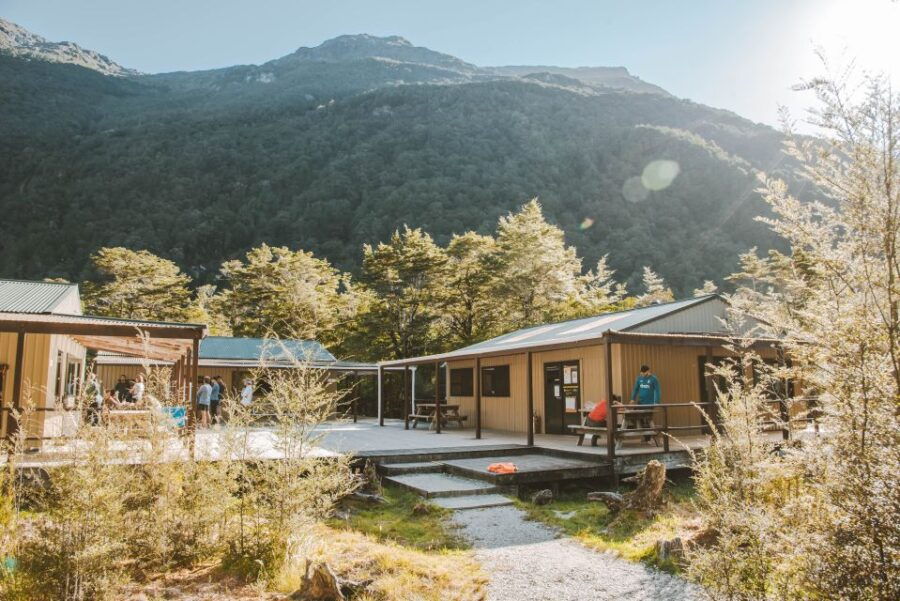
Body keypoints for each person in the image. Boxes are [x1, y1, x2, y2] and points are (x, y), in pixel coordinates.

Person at [631, 365, 660, 442]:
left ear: (648, 371)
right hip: (640, 402)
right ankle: (642, 432)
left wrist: (656, 401)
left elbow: (657, 391)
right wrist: (633, 398)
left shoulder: (653, 379)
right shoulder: (639, 378)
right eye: (641, 372)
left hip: (649, 403)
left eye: (644, 372)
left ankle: (647, 437)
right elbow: (636, 389)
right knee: (633, 415)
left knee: (648, 419)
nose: (642, 374)